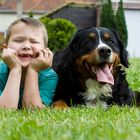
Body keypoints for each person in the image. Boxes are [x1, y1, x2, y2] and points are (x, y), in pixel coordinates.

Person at [0, 17, 58, 109]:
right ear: (5, 47)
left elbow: (32, 111)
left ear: (45, 50)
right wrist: (15, 69)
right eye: (18, 40)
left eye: (34, 41)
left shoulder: (49, 76)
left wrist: (33, 70)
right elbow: (4, 111)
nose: (26, 46)